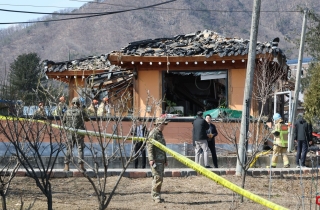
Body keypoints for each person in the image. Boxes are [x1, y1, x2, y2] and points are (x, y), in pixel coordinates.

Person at [63, 97, 89, 172]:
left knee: (69, 148)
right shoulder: (81, 111)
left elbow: (64, 121)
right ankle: (81, 166)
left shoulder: (67, 112)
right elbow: (87, 119)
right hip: (79, 133)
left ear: (72, 103)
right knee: (80, 149)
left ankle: (66, 166)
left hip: (70, 133)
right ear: (78, 104)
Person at [147, 117, 169, 203]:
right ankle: (155, 196)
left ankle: (157, 195)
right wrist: (151, 159)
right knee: (157, 178)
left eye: (164, 124)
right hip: (156, 160)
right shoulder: (153, 133)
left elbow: (163, 148)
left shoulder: (160, 133)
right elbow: (150, 147)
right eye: (162, 124)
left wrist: (165, 159)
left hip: (161, 160)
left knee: (160, 179)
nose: (163, 126)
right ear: (158, 124)